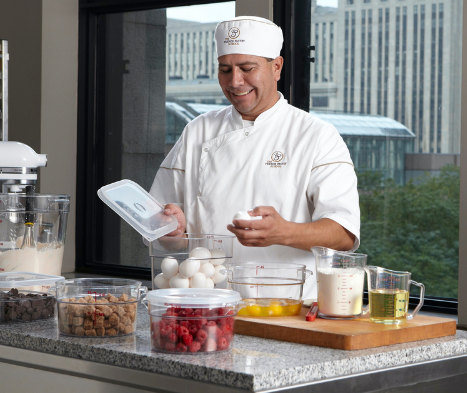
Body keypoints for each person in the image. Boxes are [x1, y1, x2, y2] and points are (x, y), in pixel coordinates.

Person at [148, 15, 361, 268]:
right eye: (225, 70)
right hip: (210, 297)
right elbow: (161, 226)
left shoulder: (316, 135)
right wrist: (172, 232)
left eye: (247, 69)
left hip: (286, 300)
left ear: (277, 67)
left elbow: (344, 233)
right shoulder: (198, 130)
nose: (235, 82)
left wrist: (283, 232)